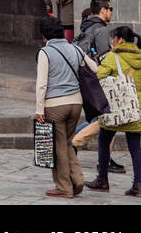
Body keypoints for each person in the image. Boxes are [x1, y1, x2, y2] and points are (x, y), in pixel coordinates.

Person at [35, 15, 96, 198]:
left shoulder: (45, 52)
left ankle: (63, 187)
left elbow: (42, 83)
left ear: (44, 35)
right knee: (68, 142)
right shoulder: (75, 49)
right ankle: (77, 179)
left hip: (55, 105)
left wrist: (39, 109)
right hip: (76, 103)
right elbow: (94, 69)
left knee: (58, 146)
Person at [85, 25, 141, 197]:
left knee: (104, 141)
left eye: (112, 38)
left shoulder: (114, 56)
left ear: (119, 40)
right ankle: (138, 185)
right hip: (136, 107)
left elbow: (99, 76)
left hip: (116, 107)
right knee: (135, 147)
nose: (111, 42)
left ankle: (102, 180)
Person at [71, 0, 127, 173]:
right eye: (110, 9)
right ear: (103, 10)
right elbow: (105, 58)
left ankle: (103, 158)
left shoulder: (85, 28)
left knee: (99, 118)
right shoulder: (102, 31)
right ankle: (73, 144)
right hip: (98, 80)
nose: (111, 12)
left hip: (85, 79)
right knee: (105, 118)